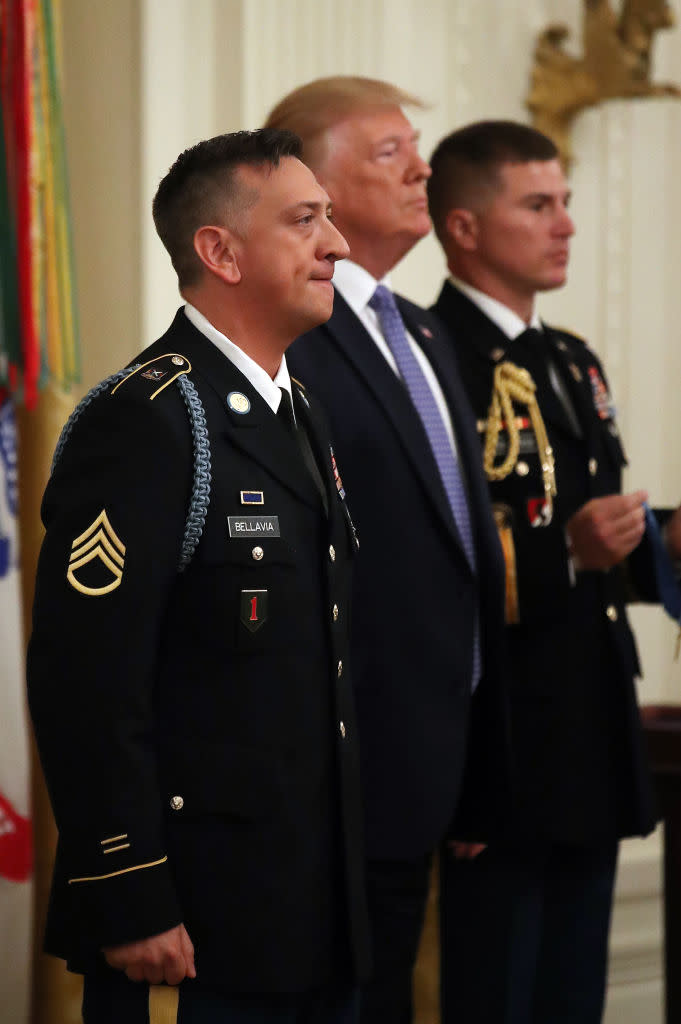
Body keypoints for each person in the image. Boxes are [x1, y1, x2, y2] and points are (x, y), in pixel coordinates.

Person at [27, 128, 372, 1024]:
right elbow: (86, 679)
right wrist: (128, 886)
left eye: (329, 218)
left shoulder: (296, 411)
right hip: (188, 925)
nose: (336, 243)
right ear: (219, 250)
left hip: (301, 909)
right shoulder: (146, 418)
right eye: (305, 220)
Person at [264, 78, 510, 1024]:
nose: (422, 168)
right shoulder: (293, 338)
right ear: (310, 185)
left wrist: (476, 761)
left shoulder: (421, 332)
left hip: (434, 764)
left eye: (419, 146)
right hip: (337, 775)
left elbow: (454, 555)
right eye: (389, 152)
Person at [427, 119, 681, 1024]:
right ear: (463, 227)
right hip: (498, 737)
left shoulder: (570, 357)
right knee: (495, 993)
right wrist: (567, 553)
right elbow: (429, 563)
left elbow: (587, 529)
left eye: (565, 202)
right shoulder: (433, 357)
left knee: (571, 996)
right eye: (538, 205)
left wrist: (661, 540)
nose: (565, 223)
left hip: (588, 724)